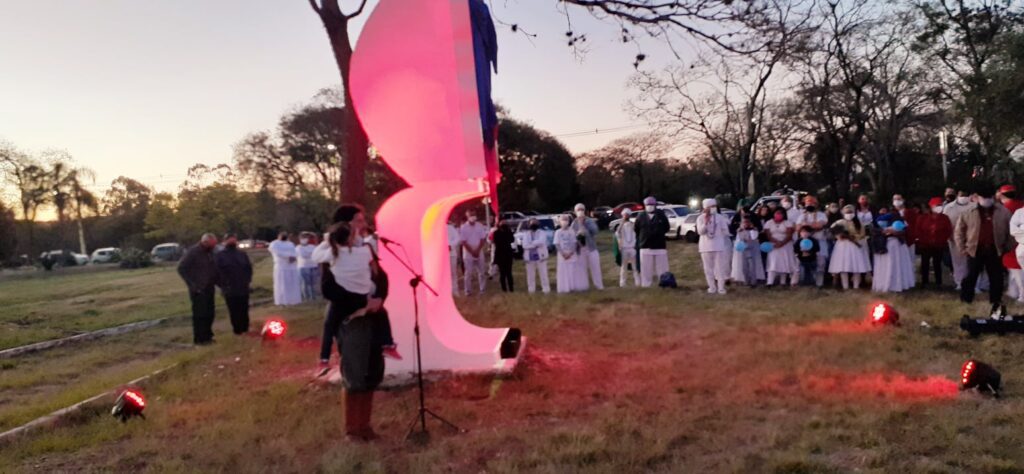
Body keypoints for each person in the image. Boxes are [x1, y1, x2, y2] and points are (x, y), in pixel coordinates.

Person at [314, 221, 393, 441]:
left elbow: (382, 279)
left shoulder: (365, 253)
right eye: (355, 229)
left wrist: (378, 300)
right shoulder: (333, 259)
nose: (359, 233)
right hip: (353, 321)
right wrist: (360, 303)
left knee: (372, 373)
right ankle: (352, 429)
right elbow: (329, 290)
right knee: (355, 374)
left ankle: (365, 426)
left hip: (374, 318)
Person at [955, 187, 1012, 314]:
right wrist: (962, 247)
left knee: (996, 277)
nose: (986, 200)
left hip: (995, 249)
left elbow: (1011, 232)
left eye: (988, 198)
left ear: (993, 197)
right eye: (983, 197)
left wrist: (1007, 248)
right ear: (977, 197)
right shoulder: (969, 211)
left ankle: (996, 301)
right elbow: (959, 231)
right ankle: (966, 299)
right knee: (970, 276)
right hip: (974, 249)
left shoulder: (1003, 212)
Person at [177, 233, 219, 345]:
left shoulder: (210, 252)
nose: (214, 246)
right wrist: (193, 285)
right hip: (198, 289)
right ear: (205, 242)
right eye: (212, 244)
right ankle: (200, 339)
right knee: (200, 314)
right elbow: (181, 268)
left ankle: (208, 336)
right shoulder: (193, 252)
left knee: (210, 313)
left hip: (209, 287)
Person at [215, 233, 253, 335]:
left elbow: (248, 268)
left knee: (244, 308)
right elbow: (216, 272)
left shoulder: (242, 254)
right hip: (229, 287)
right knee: (234, 309)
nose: (232, 241)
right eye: (230, 239)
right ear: (225, 241)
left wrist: (248, 281)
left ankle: (245, 328)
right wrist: (222, 285)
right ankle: (237, 330)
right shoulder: (220, 256)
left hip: (243, 286)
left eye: (234, 239)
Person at [828, 205, 870, 290]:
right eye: (847, 212)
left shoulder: (859, 223)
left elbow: (862, 234)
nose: (849, 214)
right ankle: (845, 287)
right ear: (843, 213)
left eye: (851, 212)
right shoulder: (840, 222)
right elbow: (832, 230)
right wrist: (839, 236)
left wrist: (853, 237)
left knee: (856, 267)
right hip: (843, 246)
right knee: (843, 267)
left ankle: (856, 287)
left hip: (855, 246)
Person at [872, 211, 914, 293]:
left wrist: (894, 232)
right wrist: (883, 231)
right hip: (884, 244)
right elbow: (875, 230)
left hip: (896, 245)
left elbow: (903, 231)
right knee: (887, 265)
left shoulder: (899, 221)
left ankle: (897, 284)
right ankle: (885, 284)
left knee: (896, 264)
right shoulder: (878, 221)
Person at [915, 199, 953, 288]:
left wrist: (942, 240)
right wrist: (923, 240)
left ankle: (938, 282)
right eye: (936, 205)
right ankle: (925, 282)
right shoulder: (922, 217)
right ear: (931, 206)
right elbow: (918, 230)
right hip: (925, 245)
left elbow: (948, 230)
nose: (938, 207)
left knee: (937, 264)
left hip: (939, 245)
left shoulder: (944, 218)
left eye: (940, 205)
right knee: (925, 263)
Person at [696, 199, 732, 294]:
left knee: (720, 268)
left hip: (718, 246)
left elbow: (725, 231)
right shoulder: (700, 218)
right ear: (705, 208)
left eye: (714, 206)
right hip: (705, 247)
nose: (713, 208)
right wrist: (706, 221)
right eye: (710, 207)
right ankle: (712, 287)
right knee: (708, 268)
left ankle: (721, 288)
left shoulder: (720, 218)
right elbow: (700, 232)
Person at [635, 196, 670, 287]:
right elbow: (636, 229)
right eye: (648, 205)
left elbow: (667, 227)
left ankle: (664, 283)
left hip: (660, 245)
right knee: (646, 268)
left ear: (655, 205)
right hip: (645, 245)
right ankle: (646, 284)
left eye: (651, 205)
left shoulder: (661, 214)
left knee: (662, 267)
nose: (650, 206)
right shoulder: (640, 216)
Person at [796, 196, 829, 287]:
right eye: (807, 203)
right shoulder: (802, 215)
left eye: (811, 203)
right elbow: (798, 228)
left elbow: (819, 225)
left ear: (816, 204)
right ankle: (805, 281)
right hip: (805, 243)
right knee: (803, 262)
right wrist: (810, 226)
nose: (809, 205)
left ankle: (819, 283)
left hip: (819, 241)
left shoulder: (821, 215)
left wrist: (806, 226)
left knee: (821, 262)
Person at [943, 190, 973, 289]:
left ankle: (973, 282)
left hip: (971, 239)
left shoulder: (974, 206)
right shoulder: (948, 208)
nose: (963, 197)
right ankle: (960, 282)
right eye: (962, 195)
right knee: (957, 262)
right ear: (957, 196)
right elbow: (945, 222)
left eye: (965, 195)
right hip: (954, 238)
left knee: (971, 262)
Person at [571, 203, 603, 290]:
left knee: (595, 268)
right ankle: (583, 287)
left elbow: (595, 231)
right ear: (575, 212)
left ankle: (599, 286)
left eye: (582, 209)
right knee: (581, 269)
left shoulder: (589, 221)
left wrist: (584, 225)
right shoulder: (574, 223)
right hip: (580, 250)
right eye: (578, 210)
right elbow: (572, 236)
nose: (580, 211)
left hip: (591, 248)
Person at [764, 208, 797, 286]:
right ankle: (770, 282)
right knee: (773, 262)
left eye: (780, 213)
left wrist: (782, 243)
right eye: (777, 213)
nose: (778, 215)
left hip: (786, 244)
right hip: (773, 244)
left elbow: (789, 235)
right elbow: (768, 235)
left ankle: (783, 282)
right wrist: (776, 242)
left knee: (784, 262)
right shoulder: (769, 223)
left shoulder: (788, 223)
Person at [459, 209, 489, 296]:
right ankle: (468, 291)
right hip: (468, 253)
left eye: (474, 215)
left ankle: (482, 290)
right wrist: (472, 251)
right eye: (471, 215)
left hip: (479, 251)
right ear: (467, 217)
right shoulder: (463, 227)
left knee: (482, 272)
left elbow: (483, 239)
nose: (473, 217)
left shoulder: (480, 226)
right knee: (468, 273)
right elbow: (463, 242)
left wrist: (478, 250)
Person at [268, 232, 302, 306]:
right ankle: (282, 301)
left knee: (292, 284)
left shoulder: (290, 244)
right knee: (282, 284)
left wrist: (293, 257)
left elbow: (295, 252)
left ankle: (293, 300)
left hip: (291, 266)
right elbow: (278, 253)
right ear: (278, 236)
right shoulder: (274, 243)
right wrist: (288, 257)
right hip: (281, 266)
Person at [731, 215, 765, 286]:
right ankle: (746, 281)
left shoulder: (754, 230)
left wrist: (752, 229)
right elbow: (740, 239)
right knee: (744, 267)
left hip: (752, 250)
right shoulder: (740, 231)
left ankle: (753, 282)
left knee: (752, 266)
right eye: (744, 222)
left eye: (747, 222)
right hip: (744, 250)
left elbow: (754, 237)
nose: (746, 224)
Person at [521, 218, 551, 293]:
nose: (533, 225)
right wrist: (535, 244)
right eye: (532, 223)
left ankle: (546, 289)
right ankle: (531, 290)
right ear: (529, 225)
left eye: (535, 223)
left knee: (543, 274)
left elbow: (541, 241)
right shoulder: (526, 234)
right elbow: (524, 245)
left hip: (541, 256)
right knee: (530, 275)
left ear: (538, 224)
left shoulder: (542, 233)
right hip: (529, 258)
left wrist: (531, 243)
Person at [553, 214, 580, 293]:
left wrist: (570, 253)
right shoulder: (557, 232)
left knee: (572, 271)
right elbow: (557, 244)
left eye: (566, 220)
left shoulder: (572, 231)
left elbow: (575, 243)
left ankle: (572, 287)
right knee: (563, 272)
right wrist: (563, 254)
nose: (564, 222)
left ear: (568, 221)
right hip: (562, 255)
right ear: (560, 222)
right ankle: (564, 288)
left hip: (571, 254)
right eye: (563, 220)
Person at [615, 209, 640, 287]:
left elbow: (637, 233)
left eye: (627, 215)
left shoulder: (633, 225)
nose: (626, 216)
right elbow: (617, 233)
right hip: (624, 248)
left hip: (632, 248)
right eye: (624, 215)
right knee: (623, 267)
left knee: (635, 267)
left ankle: (638, 283)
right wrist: (622, 222)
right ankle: (622, 283)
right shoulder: (620, 226)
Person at [493, 220, 516, 292]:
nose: (504, 225)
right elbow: (497, 242)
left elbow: (512, 240)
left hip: (508, 254)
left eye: (505, 223)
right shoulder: (496, 233)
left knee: (509, 272)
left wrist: (508, 231)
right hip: (500, 255)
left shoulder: (508, 232)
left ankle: (511, 288)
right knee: (502, 273)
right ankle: (504, 289)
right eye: (502, 223)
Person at [297, 232, 320, 302]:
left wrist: (310, 254)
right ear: (300, 239)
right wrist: (311, 254)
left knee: (312, 283)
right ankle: (306, 298)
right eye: (303, 238)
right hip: (303, 267)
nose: (305, 239)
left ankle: (313, 297)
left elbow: (316, 254)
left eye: (306, 238)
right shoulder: (298, 248)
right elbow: (303, 255)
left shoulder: (312, 246)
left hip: (313, 266)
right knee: (305, 283)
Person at [447, 218, 462, 296]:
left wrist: (450, 245)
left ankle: (455, 291)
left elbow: (458, 239)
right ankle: (446, 292)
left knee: (453, 273)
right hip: (441, 256)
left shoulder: (450, 228)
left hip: (451, 254)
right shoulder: (435, 229)